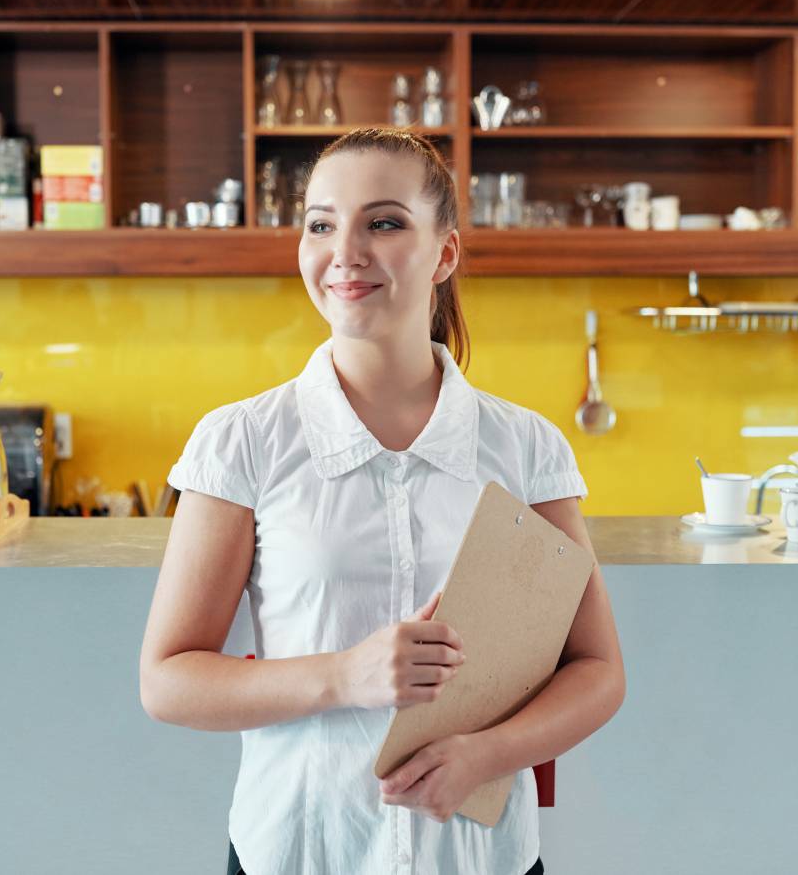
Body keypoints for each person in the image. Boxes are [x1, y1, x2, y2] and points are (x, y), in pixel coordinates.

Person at [139, 127, 625, 875]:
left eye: (385, 223)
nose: (345, 252)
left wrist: (487, 755)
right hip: (301, 852)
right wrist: (346, 675)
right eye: (321, 225)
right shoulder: (242, 442)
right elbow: (169, 680)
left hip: (478, 858)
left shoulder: (527, 448)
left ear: (445, 253)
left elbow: (596, 671)